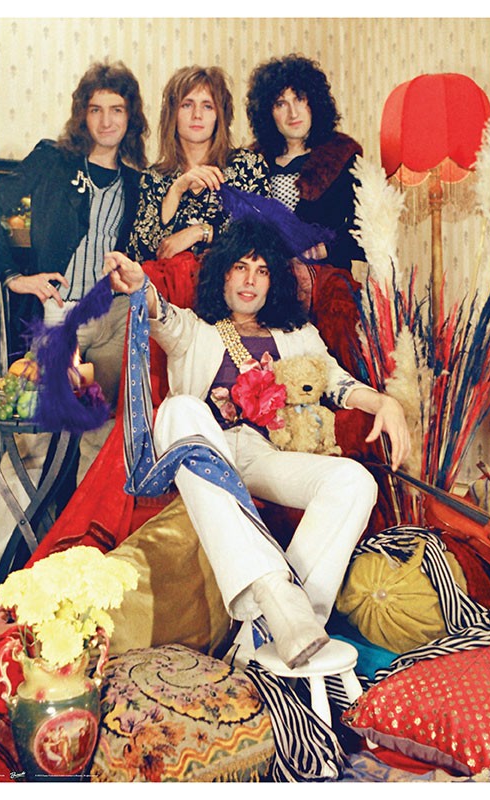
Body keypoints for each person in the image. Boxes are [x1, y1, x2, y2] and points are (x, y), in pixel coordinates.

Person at [103, 218, 410, 670]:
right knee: (180, 408)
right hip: (204, 451)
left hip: (264, 454)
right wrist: (140, 284)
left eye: (262, 271)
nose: (250, 280)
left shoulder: (298, 336)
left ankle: (265, 632)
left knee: (354, 482)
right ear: (223, 274)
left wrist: (384, 402)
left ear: (273, 282)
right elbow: (159, 311)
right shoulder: (196, 328)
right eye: (241, 268)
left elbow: (336, 381)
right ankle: (277, 601)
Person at [0, 59, 149, 485]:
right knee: (34, 441)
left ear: (130, 117)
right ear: (83, 114)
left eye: (116, 109)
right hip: (59, 316)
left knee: (102, 435)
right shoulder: (53, 161)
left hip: (113, 318)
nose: (106, 120)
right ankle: (5, 532)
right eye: (96, 109)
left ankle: (81, 528)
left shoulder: (137, 184)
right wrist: (14, 277)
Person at [128, 66, 270, 263]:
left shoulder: (247, 166)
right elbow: (140, 254)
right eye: (187, 105)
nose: (197, 114)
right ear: (173, 114)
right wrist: (176, 190)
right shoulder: (154, 178)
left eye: (207, 106)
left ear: (220, 115)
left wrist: (200, 232)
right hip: (165, 283)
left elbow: (264, 237)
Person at [245, 54, 366, 273]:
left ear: (314, 102)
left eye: (299, 99)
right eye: (281, 104)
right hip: (265, 280)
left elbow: (366, 232)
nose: (293, 113)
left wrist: (325, 249)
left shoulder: (343, 156)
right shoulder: (251, 162)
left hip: (325, 281)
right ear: (267, 113)